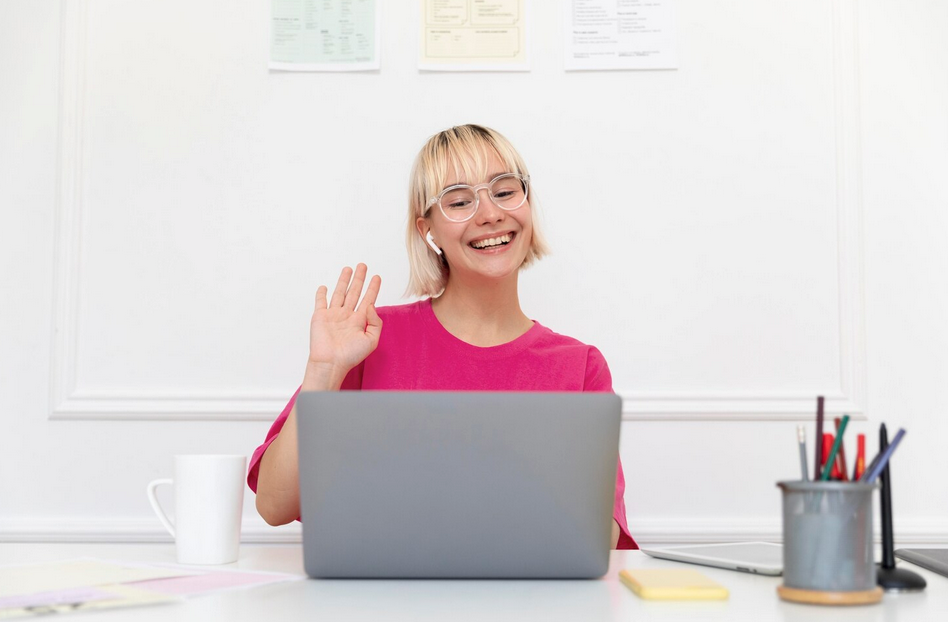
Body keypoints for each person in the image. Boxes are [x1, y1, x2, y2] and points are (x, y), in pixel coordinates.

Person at [248, 124, 637, 549]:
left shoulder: (579, 367)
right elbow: (274, 505)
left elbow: (602, 539)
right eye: (459, 200)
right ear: (427, 230)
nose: (490, 214)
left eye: (505, 191)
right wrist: (323, 372)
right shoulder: (366, 341)